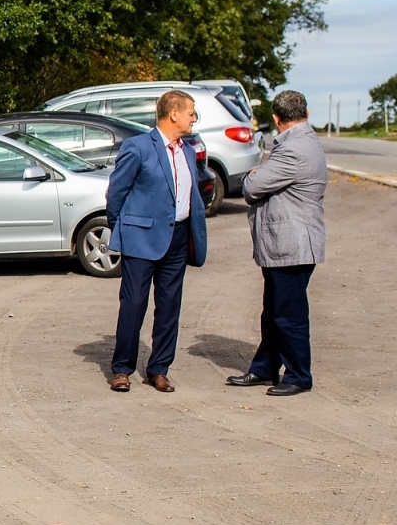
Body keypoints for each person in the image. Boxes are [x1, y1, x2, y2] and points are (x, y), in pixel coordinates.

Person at [105, 89, 208, 393]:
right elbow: (116, 195)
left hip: (177, 236)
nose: (193, 118)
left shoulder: (187, 149)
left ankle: (159, 369)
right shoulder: (138, 147)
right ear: (173, 113)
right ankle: (122, 368)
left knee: (169, 307)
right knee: (134, 304)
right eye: (191, 112)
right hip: (141, 238)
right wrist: (124, 229)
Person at [227, 90, 326, 396]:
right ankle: (264, 368)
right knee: (274, 310)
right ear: (306, 113)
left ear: (275, 118)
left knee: (288, 313)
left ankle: (298, 375)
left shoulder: (293, 148)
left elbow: (252, 187)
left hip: (291, 244)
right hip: (289, 243)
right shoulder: (303, 143)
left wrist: (254, 175)